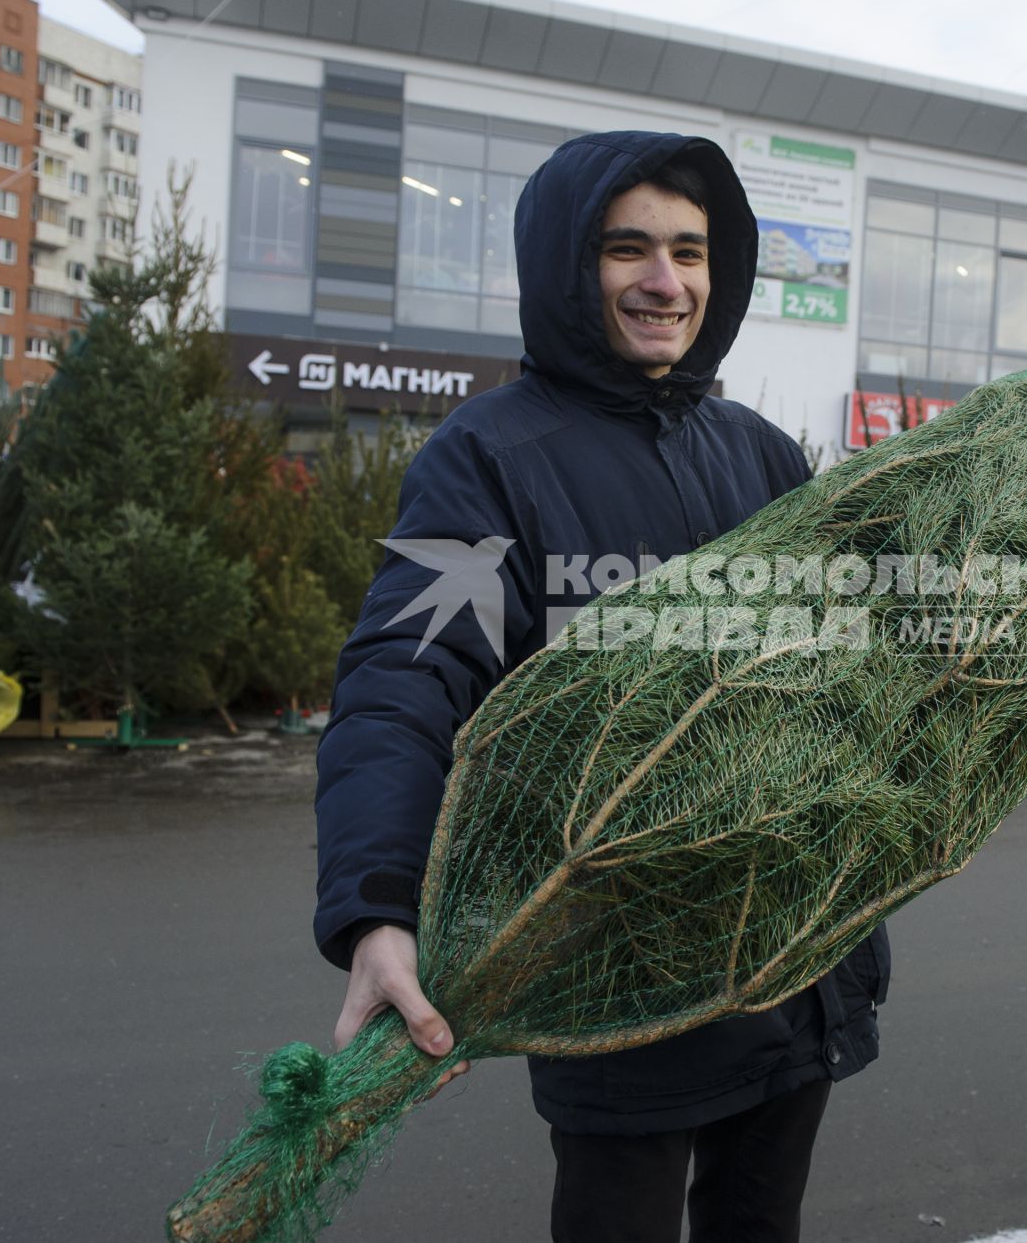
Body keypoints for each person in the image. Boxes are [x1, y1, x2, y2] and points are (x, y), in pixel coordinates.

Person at [313, 132, 887, 1243]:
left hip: (790, 951)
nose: (665, 281)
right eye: (629, 250)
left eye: (690, 250)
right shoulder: (491, 458)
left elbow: (835, 667)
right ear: (567, 266)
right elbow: (406, 673)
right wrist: (377, 906)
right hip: (616, 965)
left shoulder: (763, 456)